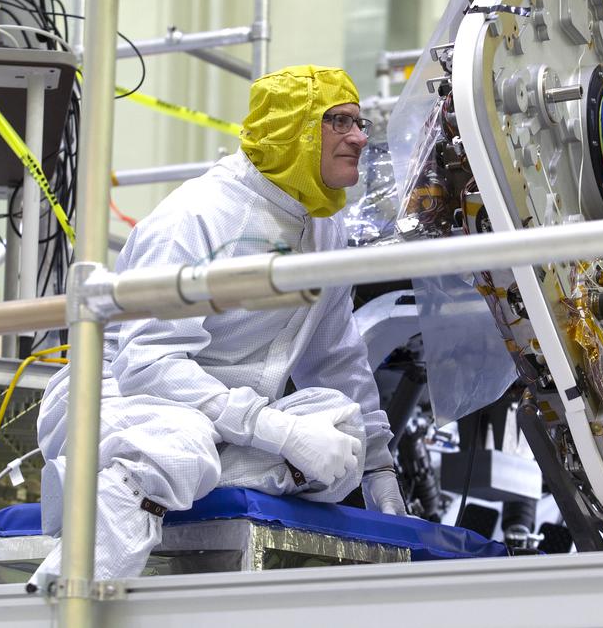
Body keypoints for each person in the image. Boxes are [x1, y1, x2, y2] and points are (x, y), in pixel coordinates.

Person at [29, 64, 405, 587]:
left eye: (360, 122)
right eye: (339, 121)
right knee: (180, 440)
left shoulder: (324, 227)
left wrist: (379, 469)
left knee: (341, 427)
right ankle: (72, 580)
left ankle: (162, 485)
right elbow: (147, 364)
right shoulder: (197, 217)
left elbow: (337, 355)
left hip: (224, 422)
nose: (361, 137)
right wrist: (280, 431)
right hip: (125, 404)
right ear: (292, 128)